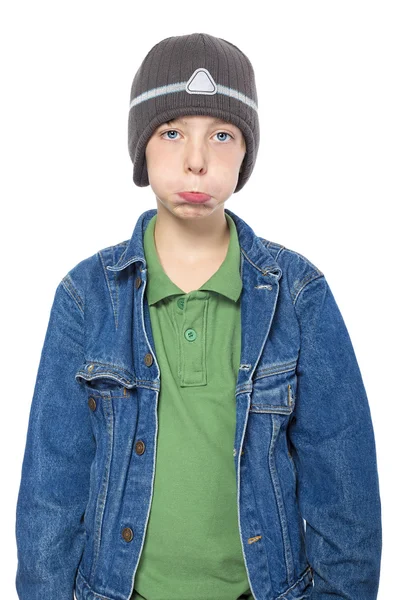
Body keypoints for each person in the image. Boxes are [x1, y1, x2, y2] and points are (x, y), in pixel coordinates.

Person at [15, 32, 382, 600]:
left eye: (222, 134)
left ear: (245, 152)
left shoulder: (298, 293)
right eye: (171, 132)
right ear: (142, 146)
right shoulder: (86, 296)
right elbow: (50, 488)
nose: (196, 159)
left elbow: (345, 484)